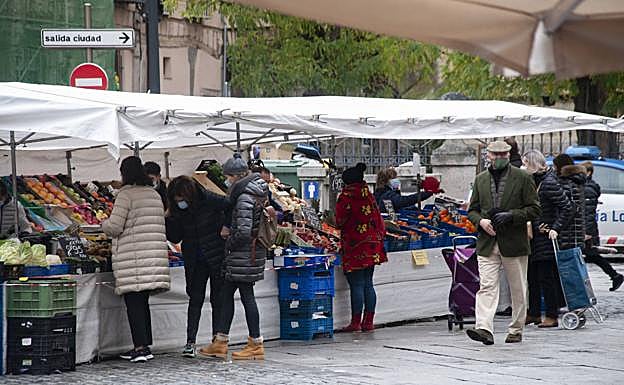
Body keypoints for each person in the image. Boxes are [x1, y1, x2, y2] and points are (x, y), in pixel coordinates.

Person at [466, 141, 540, 345]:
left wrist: (511, 215)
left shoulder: (523, 178)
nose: (498, 157)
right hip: (487, 242)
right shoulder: (480, 179)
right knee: (487, 285)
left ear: (509, 155)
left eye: (503, 154)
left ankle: (516, 328)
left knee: (518, 288)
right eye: (495, 154)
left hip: (514, 240)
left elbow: (534, 209)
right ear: (488, 155)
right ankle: (484, 328)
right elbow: (472, 210)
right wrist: (481, 221)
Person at [199, 154, 268, 360]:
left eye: (229, 177)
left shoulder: (245, 196)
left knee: (246, 295)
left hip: (243, 254)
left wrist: (228, 240)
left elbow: (244, 231)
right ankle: (220, 342)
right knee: (226, 294)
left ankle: (255, 343)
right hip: (247, 254)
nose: (227, 181)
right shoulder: (256, 191)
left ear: (237, 176)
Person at [102, 156, 170, 363]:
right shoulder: (153, 194)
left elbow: (115, 227)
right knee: (142, 303)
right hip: (153, 256)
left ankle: (140, 348)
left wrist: (103, 223)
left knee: (134, 303)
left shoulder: (126, 195)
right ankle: (144, 346)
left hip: (135, 259)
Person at [165, 176, 231, 358]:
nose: (180, 203)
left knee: (217, 299)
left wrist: (226, 226)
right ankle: (190, 341)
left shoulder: (209, 199)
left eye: (182, 199)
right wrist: (169, 218)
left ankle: (217, 341)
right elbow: (175, 237)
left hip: (216, 255)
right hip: (194, 257)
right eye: (176, 200)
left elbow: (230, 205)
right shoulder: (178, 210)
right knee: (195, 299)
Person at [522, 150, 574, 328]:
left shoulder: (549, 183)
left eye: (525, 163)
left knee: (546, 276)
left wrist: (555, 228)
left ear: (533, 164)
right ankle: (534, 312)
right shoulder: (535, 181)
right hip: (534, 236)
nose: (523, 167)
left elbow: (567, 207)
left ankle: (552, 314)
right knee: (532, 276)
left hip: (545, 237)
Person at [336, 163, 387, 332]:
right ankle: (368, 322)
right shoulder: (369, 195)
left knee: (356, 284)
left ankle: (355, 322)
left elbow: (339, 221)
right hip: (372, 244)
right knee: (368, 283)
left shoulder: (345, 197)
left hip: (354, 244)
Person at [581, 161, 623, 291]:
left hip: (587, 229)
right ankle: (614, 275)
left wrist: (586, 232)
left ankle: (614, 276)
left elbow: (586, 213)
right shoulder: (590, 186)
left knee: (589, 255)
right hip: (588, 228)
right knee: (591, 255)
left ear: (589, 172)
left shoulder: (587, 188)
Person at [553, 154, 587, 251]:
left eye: (555, 166)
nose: (553, 169)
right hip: (575, 232)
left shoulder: (567, 183)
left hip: (568, 232)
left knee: (568, 262)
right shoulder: (576, 180)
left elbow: (568, 208)